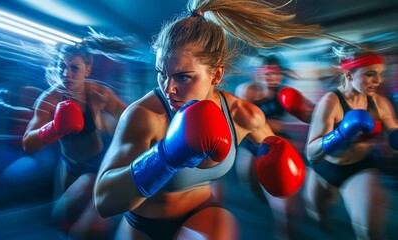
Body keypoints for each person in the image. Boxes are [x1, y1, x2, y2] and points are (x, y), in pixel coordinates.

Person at [93, 0, 326, 239]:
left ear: (216, 74)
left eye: (183, 77)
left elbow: (276, 154)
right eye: (161, 73)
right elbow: (104, 201)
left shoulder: (242, 115)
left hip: (201, 213)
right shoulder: (144, 116)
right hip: (143, 223)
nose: (168, 88)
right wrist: (166, 157)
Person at [22, 33, 135, 239]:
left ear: (87, 69)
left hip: (97, 165)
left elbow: (131, 118)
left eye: (74, 68)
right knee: (59, 218)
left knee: (86, 225)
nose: (66, 74)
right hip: (69, 167)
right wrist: (54, 128)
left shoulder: (98, 94)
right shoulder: (50, 99)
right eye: (62, 67)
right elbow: (28, 144)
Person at [304, 45, 398, 240]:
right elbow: (311, 153)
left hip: (359, 169)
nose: (378, 81)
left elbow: (393, 133)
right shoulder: (330, 102)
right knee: (317, 213)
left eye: (380, 74)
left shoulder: (379, 103)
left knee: (370, 232)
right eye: (370, 74)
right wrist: (341, 134)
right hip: (325, 168)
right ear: (348, 74)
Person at [234, 54, 315, 239]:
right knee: (249, 184)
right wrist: (273, 123)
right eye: (267, 73)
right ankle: (269, 202)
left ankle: (286, 225)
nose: (272, 77)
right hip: (252, 144)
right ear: (257, 74)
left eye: (275, 73)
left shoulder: (285, 94)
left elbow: (312, 116)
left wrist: (315, 112)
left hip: (276, 144)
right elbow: (243, 121)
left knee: (285, 204)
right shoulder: (246, 91)